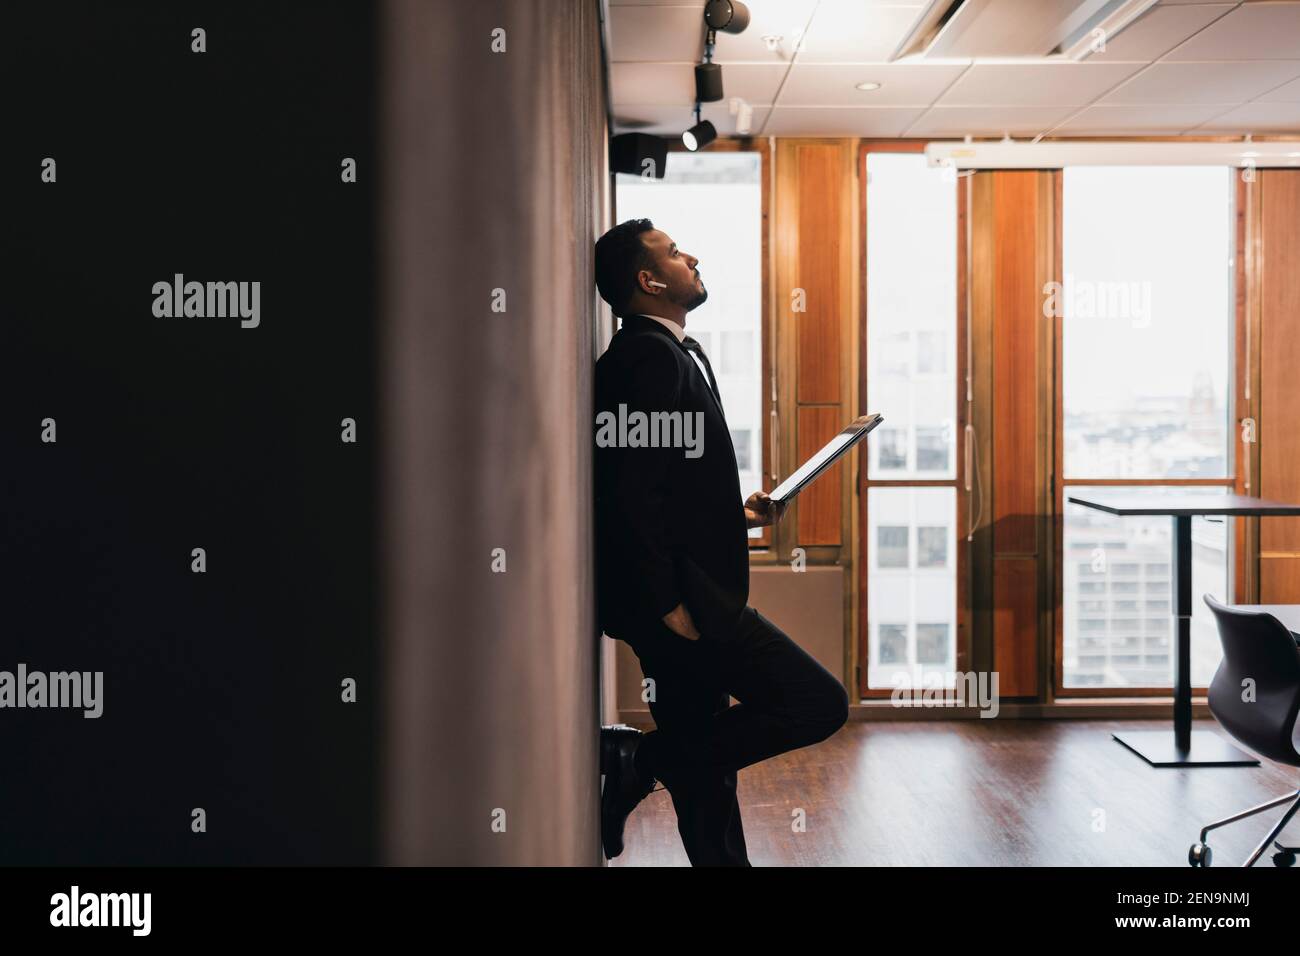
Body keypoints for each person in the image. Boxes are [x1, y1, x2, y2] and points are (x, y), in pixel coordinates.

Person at [593, 218, 850, 866]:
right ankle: (638, 758)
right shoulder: (647, 357)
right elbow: (627, 493)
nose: (691, 257)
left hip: (685, 592)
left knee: (707, 768)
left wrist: (734, 515)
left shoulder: (665, 351)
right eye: (674, 252)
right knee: (817, 702)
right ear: (648, 280)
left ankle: (650, 767)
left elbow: (665, 490)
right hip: (685, 604)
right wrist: (665, 606)